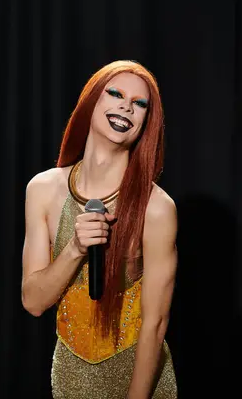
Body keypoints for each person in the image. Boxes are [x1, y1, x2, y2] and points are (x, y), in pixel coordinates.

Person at [21, 60, 178, 398]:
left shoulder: (157, 208)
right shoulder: (43, 189)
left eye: (139, 104)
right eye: (116, 94)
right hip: (70, 379)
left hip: (138, 380)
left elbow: (155, 324)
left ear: (145, 122)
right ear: (92, 101)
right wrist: (75, 248)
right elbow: (33, 301)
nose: (126, 106)